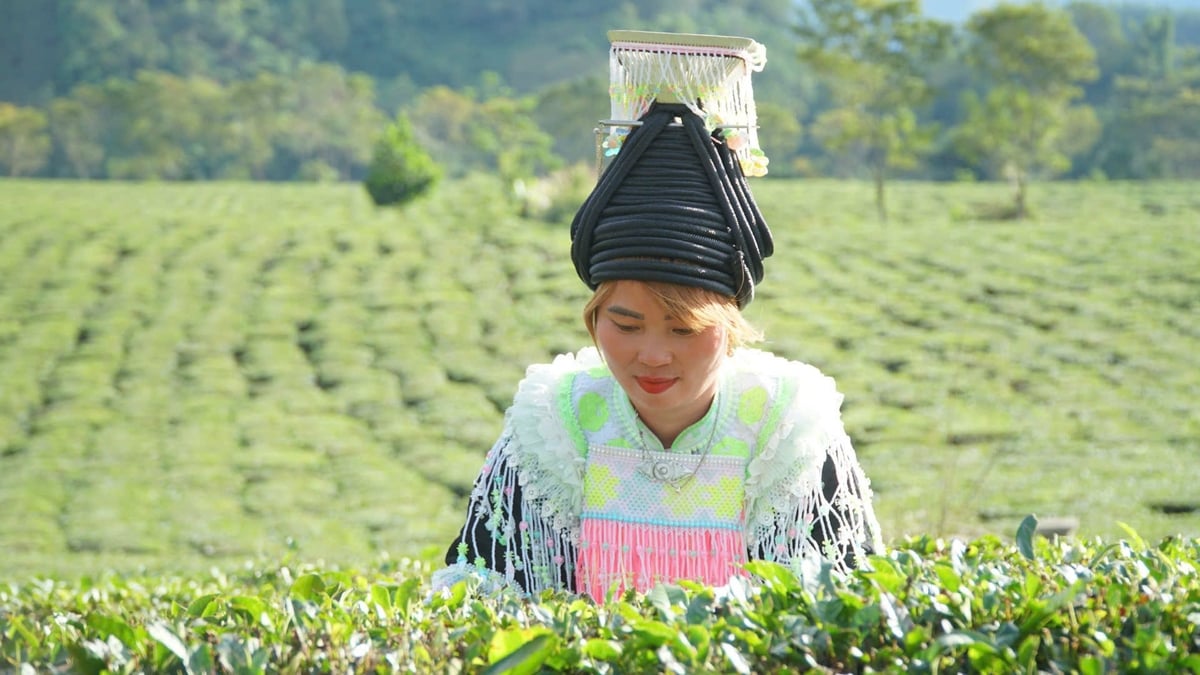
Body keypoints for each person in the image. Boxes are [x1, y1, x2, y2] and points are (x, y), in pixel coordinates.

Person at [431, 33, 882, 601]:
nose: (652, 354)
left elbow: (833, 603)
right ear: (594, 318)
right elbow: (490, 587)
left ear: (730, 323)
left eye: (684, 329)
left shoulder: (784, 429)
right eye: (625, 324)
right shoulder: (557, 425)